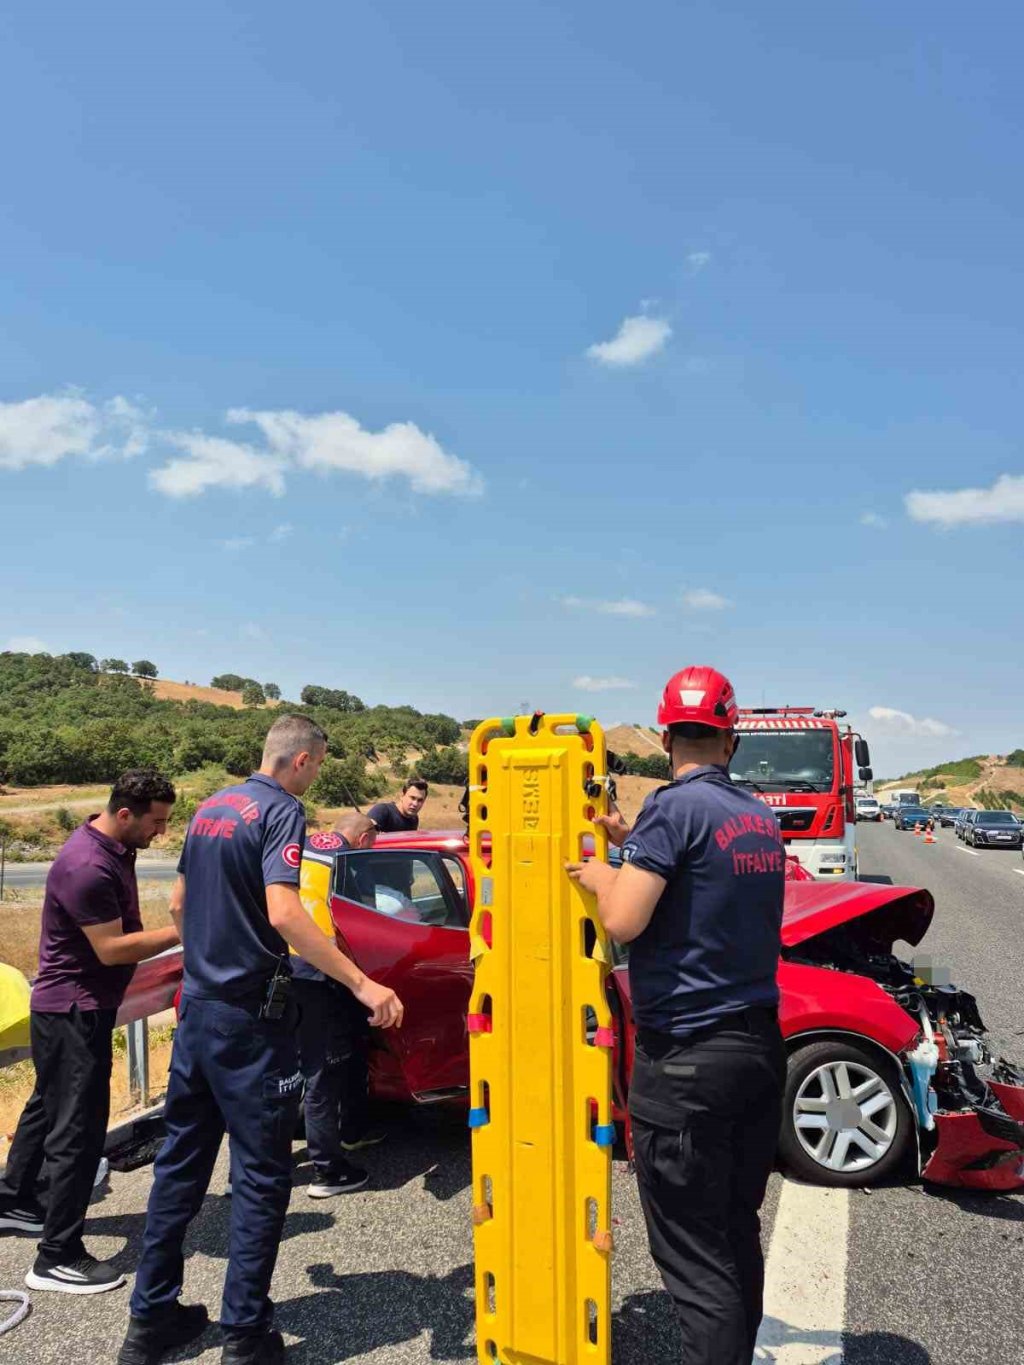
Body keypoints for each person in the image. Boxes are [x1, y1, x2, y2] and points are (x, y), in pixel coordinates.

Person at [119, 716, 403, 1365]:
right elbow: (284, 911)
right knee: (259, 1177)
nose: (317, 773)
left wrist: (212, 954)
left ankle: (150, 1319)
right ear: (301, 760)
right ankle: (245, 1335)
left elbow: (179, 903)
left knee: (180, 1166)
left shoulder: (212, 808)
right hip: (251, 1023)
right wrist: (362, 984)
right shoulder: (281, 812)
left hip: (196, 1013)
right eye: (319, 764)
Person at [567, 666, 786, 1365]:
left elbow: (626, 917)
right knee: (731, 1229)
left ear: (666, 737)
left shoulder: (671, 808)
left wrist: (603, 872)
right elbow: (703, 885)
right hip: (756, 1049)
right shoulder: (755, 816)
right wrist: (637, 844)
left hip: (687, 1064)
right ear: (730, 741)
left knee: (695, 1263)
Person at [0, 771, 180, 1296]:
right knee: (77, 1132)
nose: (161, 833)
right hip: (73, 1011)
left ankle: (14, 1200)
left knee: (46, 1105)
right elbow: (111, 949)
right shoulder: (86, 865)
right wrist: (184, 931)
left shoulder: (113, 849)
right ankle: (56, 1255)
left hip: (71, 1009)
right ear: (125, 814)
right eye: (157, 822)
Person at [293, 812, 382, 1197]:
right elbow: (368, 924)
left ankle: (248, 1170)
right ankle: (327, 1171)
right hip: (320, 973)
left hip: (280, 967)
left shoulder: (301, 849)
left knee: (278, 1072)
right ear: (363, 838)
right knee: (323, 1072)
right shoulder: (349, 864)